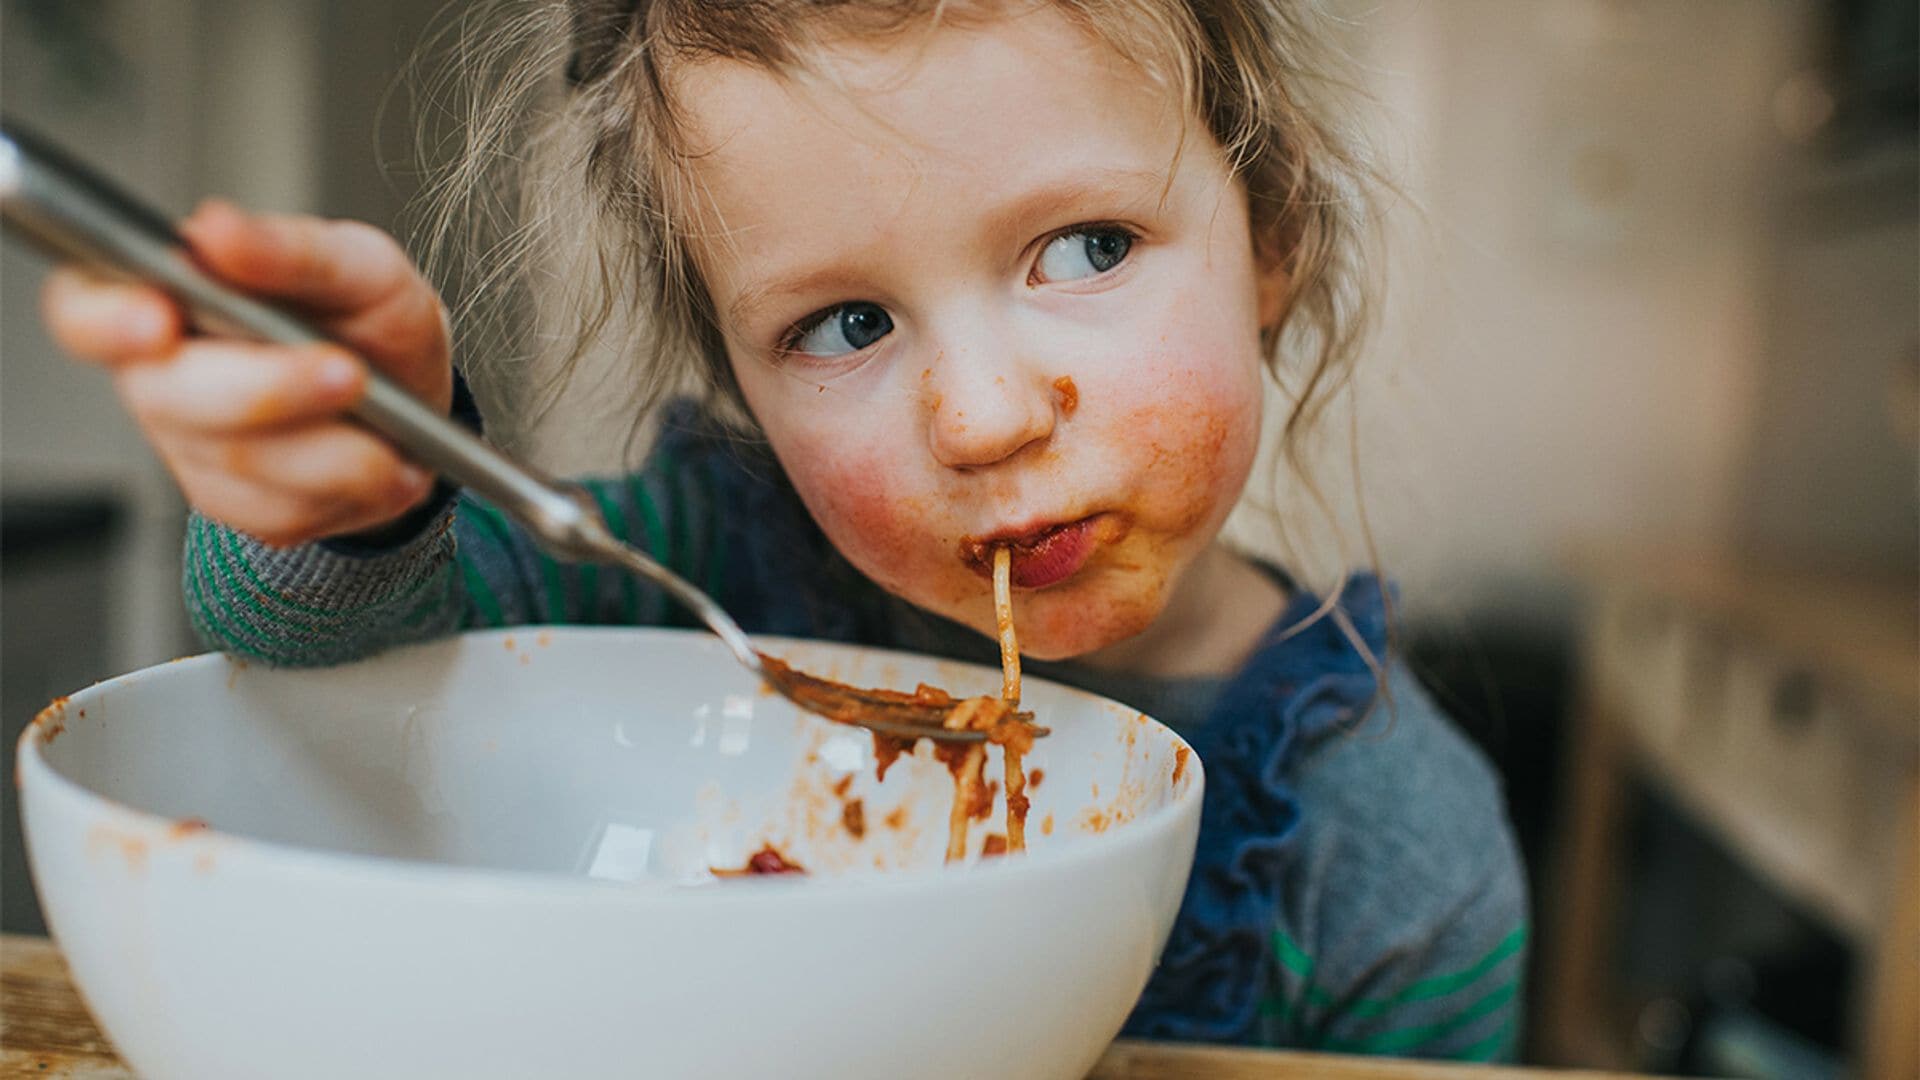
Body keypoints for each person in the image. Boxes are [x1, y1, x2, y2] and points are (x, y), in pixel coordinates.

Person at [40, 0, 1526, 1059]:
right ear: (738, 379)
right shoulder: (691, 573)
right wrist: (358, 504)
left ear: (1274, 235)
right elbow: (328, 647)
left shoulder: (1400, 850)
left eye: (1086, 248)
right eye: (846, 323)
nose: (985, 414)